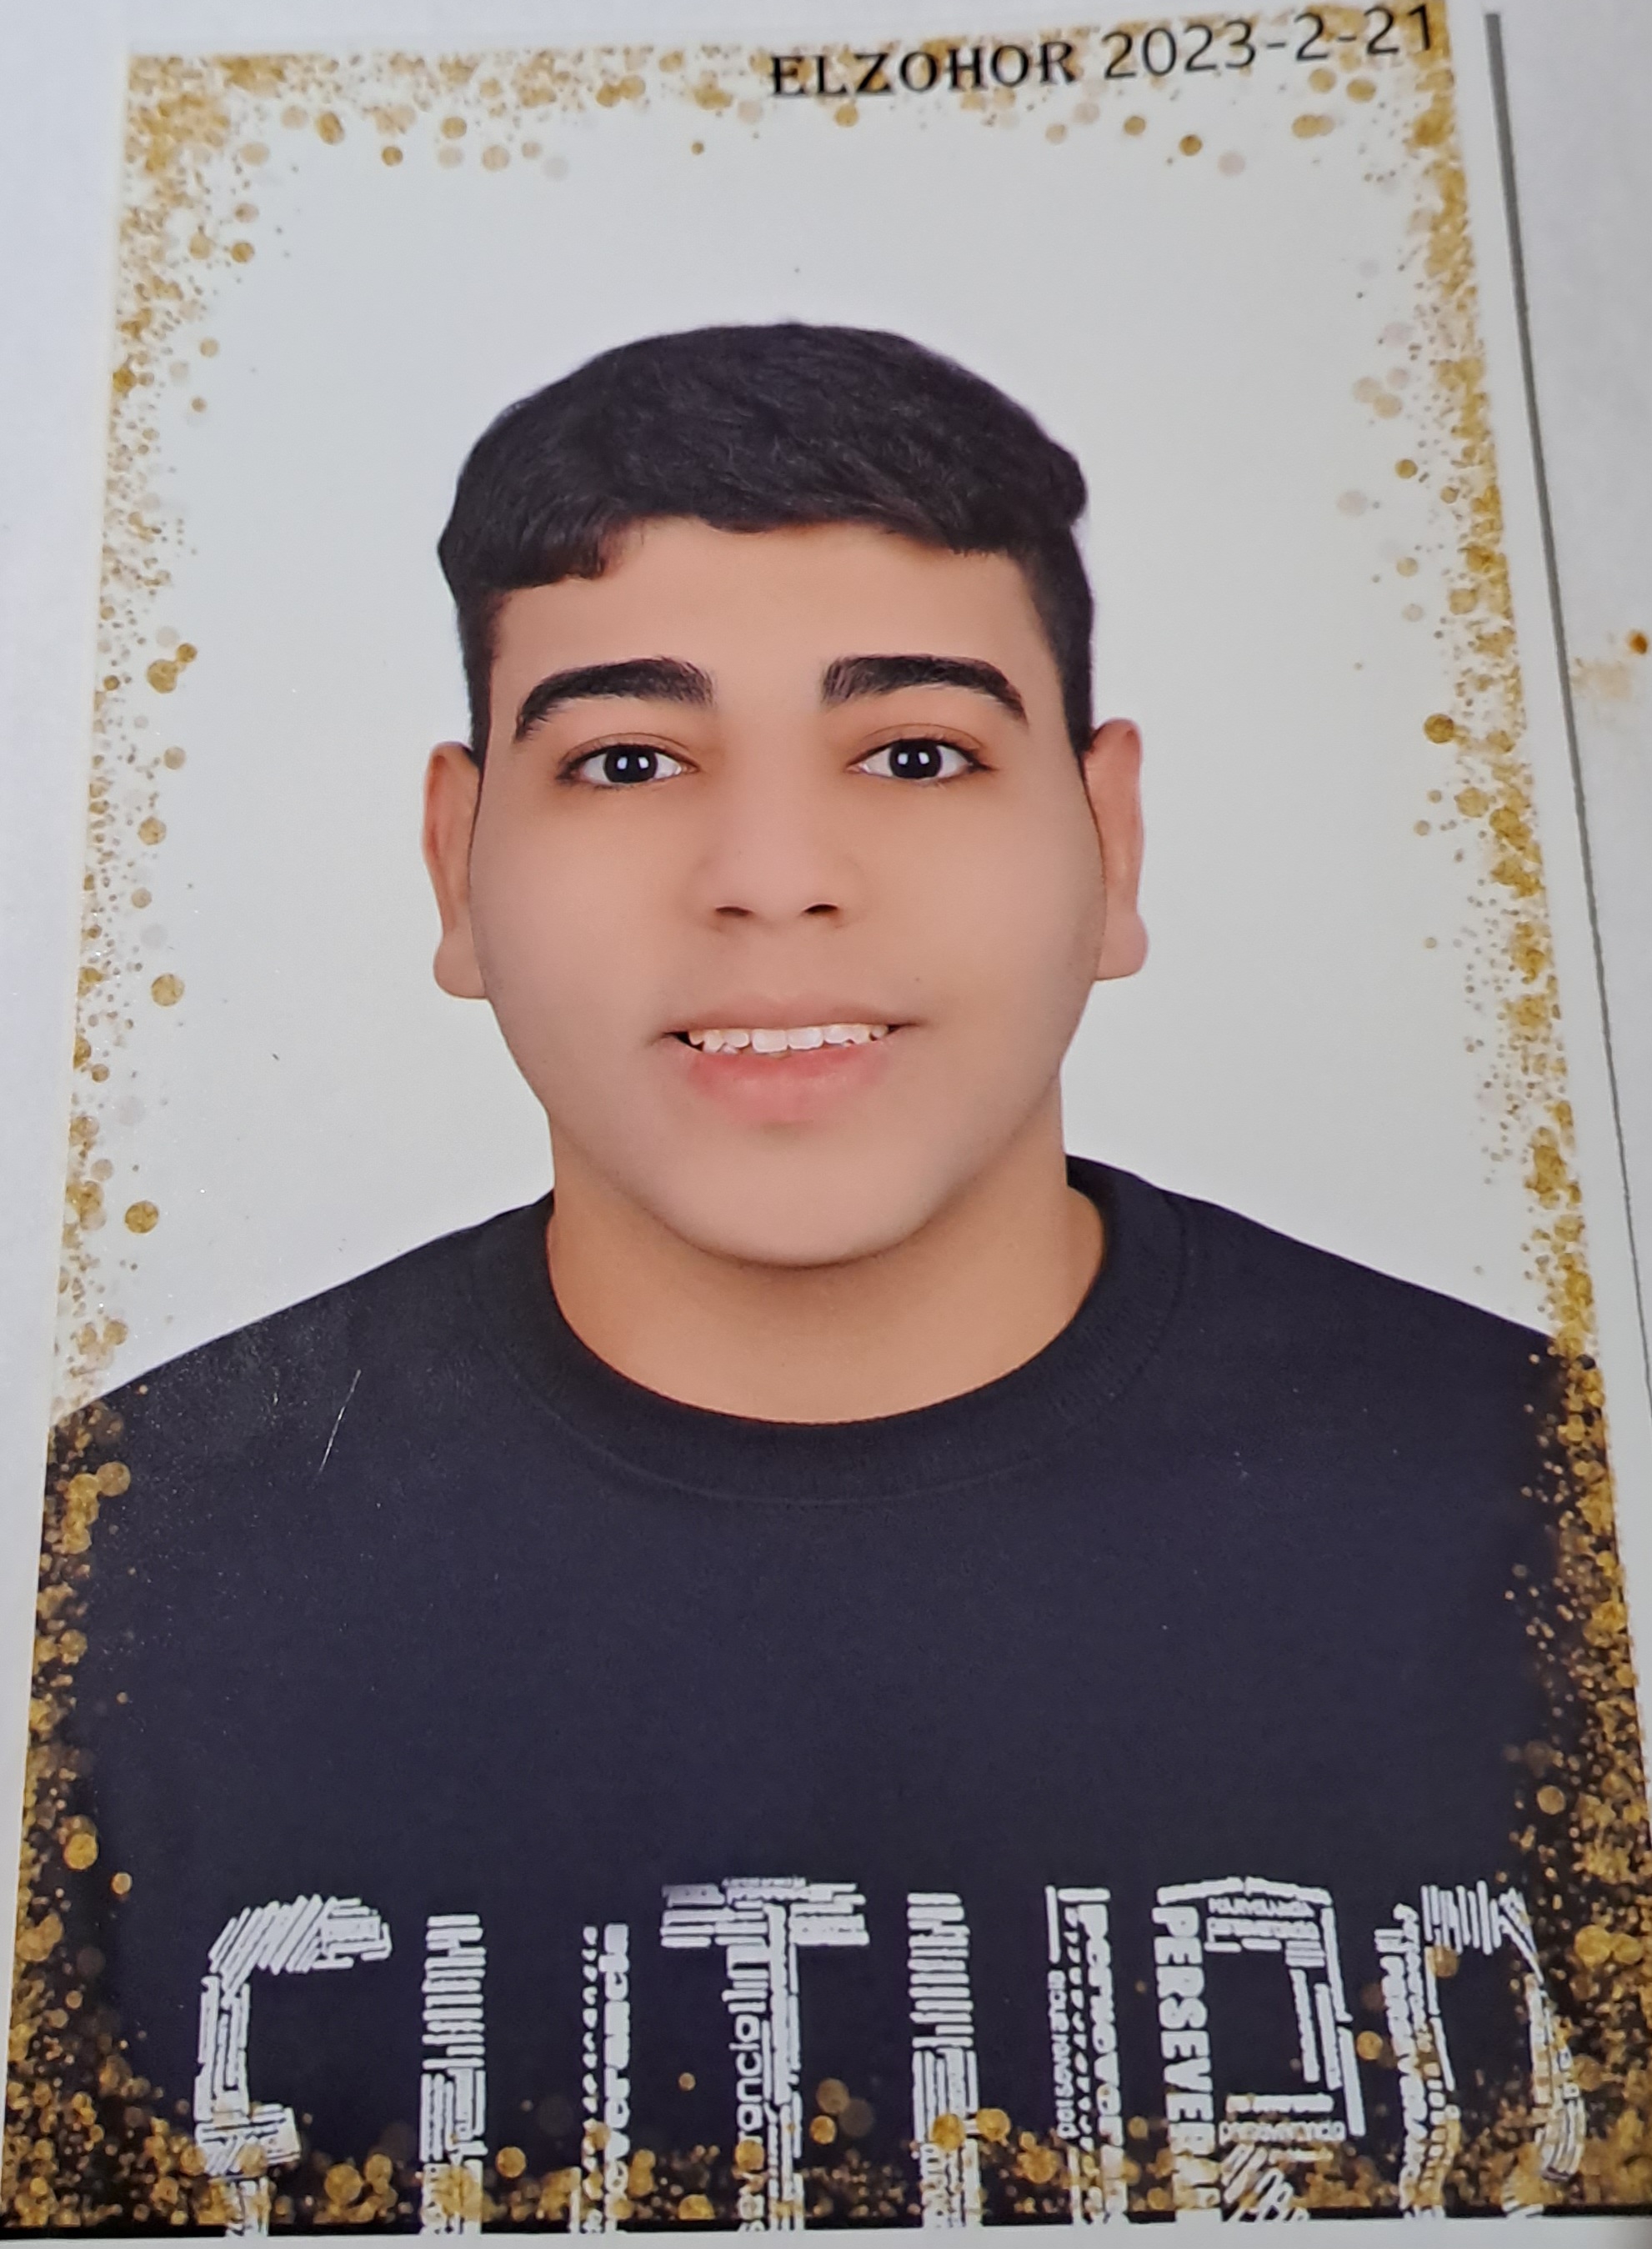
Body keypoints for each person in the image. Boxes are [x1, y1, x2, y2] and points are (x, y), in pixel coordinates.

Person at [28, 325, 1569, 2227]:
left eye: (915, 750)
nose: (771, 874)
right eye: (627, 758)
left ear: (1109, 839)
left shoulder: (1558, 1511)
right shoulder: (100, 1583)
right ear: (457, 863)